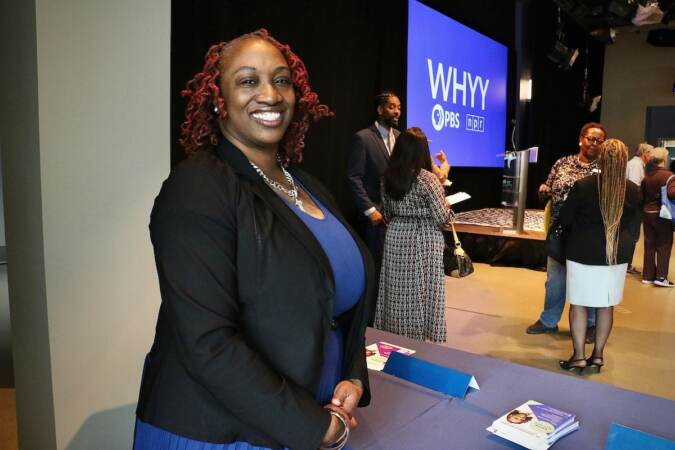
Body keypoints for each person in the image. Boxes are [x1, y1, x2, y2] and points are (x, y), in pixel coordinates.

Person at [133, 29, 373, 450]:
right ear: (217, 98)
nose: (271, 94)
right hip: (219, 433)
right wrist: (314, 430)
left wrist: (352, 374)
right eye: (248, 81)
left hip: (301, 415)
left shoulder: (307, 185)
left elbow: (332, 304)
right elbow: (208, 342)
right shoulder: (198, 187)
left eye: (281, 80)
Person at [557, 139, 642, 374]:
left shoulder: (584, 186)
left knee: (579, 305)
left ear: (601, 159)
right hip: (615, 256)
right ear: (624, 160)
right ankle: (598, 356)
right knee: (606, 306)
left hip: (583, 252)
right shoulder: (633, 190)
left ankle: (578, 356)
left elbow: (565, 220)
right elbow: (634, 229)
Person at [374, 128, 453, 343]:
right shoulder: (428, 179)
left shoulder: (387, 177)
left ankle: (394, 335)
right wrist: (448, 207)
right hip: (424, 238)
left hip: (396, 235)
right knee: (423, 291)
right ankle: (417, 339)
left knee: (396, 290)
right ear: (422, 152)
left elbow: (387, 213)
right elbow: (442, 218)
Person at [526, 123, 605, 339]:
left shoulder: (605, 168)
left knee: (586, 281)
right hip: (560, 230)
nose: (594, 143)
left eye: (599, 140)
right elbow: (549, 187)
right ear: (581, 139)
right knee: (555, 279)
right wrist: (544, 191)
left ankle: (589, 324)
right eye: (591, 138)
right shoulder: (563, 163)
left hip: (588, 234)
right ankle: (548, 320)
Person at [346, 91, 401, 322]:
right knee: (376, 271)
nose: (397, 111)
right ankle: (371, 321)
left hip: (398, 217)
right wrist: (371, 210)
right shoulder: (363, 138)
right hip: (376, 219)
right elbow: (353, 177)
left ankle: (389, 316)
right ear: (380, 110)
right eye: (391, 107)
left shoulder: (400, 137)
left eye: (398, 107)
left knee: (394, 272)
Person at [641, 147, 675, 287]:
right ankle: (661, 277)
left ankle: (647, 276)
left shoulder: (647, 176)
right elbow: (672, 193)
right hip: (663, 215)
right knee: (664, 245)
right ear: (664, 159)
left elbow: (641, 196)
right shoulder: (670, 176)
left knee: (649, 245)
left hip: (647, 214)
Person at [625, 143, 653, 274]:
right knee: (632, 235)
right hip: (633, 208)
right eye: (650, 153)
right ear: (644, 153)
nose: (651, 157)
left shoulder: (636, 164)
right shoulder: (636, 165)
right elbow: (634, 187)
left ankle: (627, 264)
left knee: (632, 235)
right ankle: (626, 265)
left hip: (632, 207)